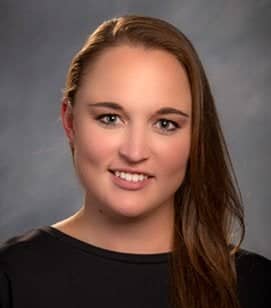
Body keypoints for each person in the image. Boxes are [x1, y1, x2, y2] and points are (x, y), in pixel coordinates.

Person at [0, 15, 270, 308]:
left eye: (165, 124)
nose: (135, 151)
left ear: (196, 137)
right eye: (110, 118)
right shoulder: (10, 276)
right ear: (69, 121)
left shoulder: (256, 285)